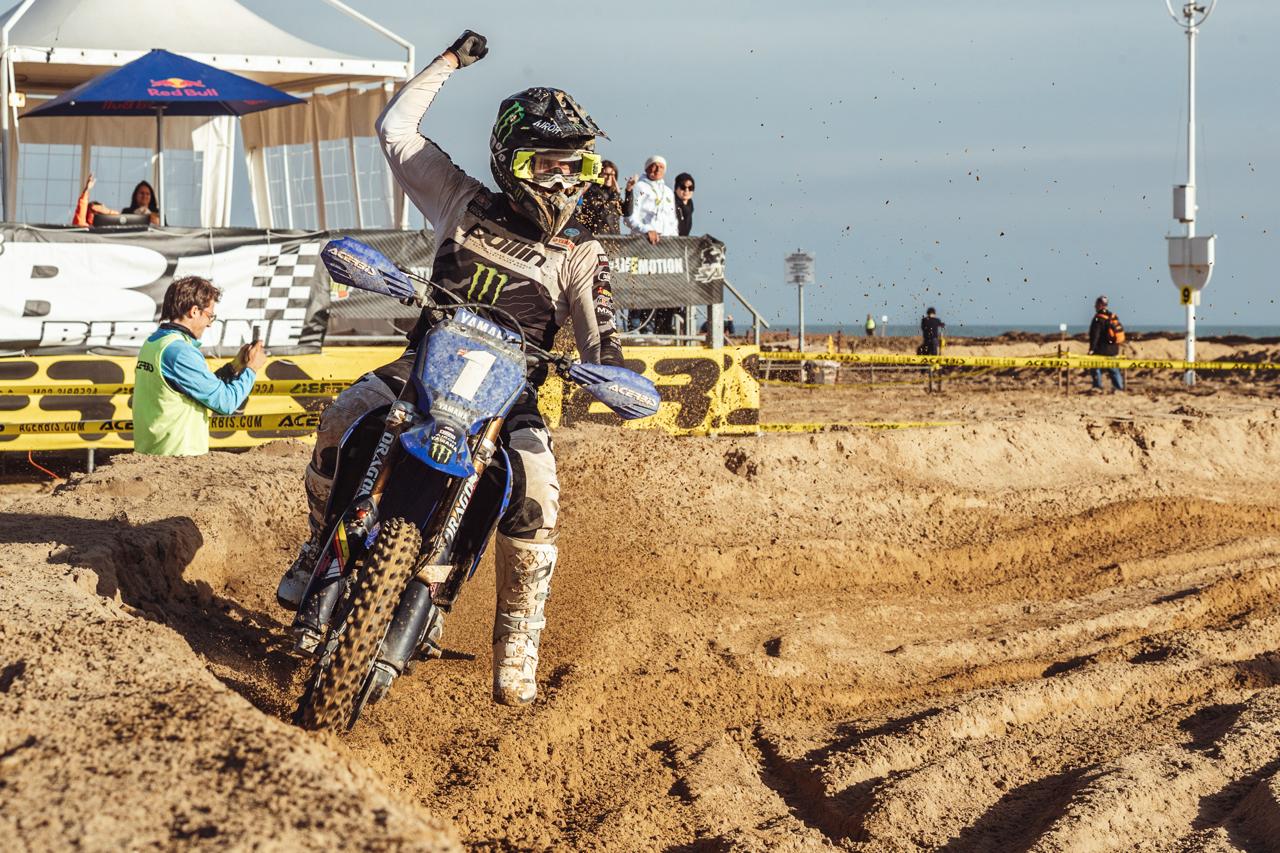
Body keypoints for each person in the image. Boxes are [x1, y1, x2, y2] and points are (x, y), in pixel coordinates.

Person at [274, 31, 624, 707]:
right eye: (545, 164)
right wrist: (448, 63)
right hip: (422, 369)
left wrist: (608, 371)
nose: (561, 180)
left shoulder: (582, 256)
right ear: (509, 161)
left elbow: (600, 333)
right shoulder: (459, 199)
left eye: (574, 166)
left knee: (541, 492)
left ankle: (520, 633)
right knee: (340, 417)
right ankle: (320, 538)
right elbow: (394, 127)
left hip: (509, 399)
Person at [133, 276, 265, 456]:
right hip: (177, 459)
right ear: (194, 311)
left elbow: (193, 389)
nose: (210, 323)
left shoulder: (155, 343)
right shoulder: (180, 351)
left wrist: (234, 367)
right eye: (210, 315)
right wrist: (251, 369)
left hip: (153, 454)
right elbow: (226, 403)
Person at [625, 155, 677, 245]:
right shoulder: (639, 187)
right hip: (642, 242)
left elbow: (673, 220)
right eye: (654, 166)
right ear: (647, 168)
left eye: (661, 167)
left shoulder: (668, 192)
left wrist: (675, 240)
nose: (658, 169)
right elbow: (629, 218)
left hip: (666, 244)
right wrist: (646, 230)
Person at [1087, 295, 1125, 392]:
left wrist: (1091, 349)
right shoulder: (1113, 316)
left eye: (1096, 304)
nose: (1094, 306)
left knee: (1096, 368)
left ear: (1100, 305)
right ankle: (1119, 388)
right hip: (1114, 349)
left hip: (1101, 349)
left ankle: (1097, 387)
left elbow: (1095, 336)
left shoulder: (1098, 318)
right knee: (1114, 370)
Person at [576, 159, 623, 234]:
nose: (609, 178)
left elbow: (626, 212)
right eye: (606, 174)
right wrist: (615, 195)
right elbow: (601, 214)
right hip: (597, 237)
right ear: (600, 174)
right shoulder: (592, 191)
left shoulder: (612, 193)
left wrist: (629, 191)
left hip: (614, 238)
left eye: (612, 175)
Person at [674, 172, 695, 236]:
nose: (687, 190)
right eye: (683, 187)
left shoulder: (690, 207)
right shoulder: (670, 204)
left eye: (690, 188)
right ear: (676, 189)